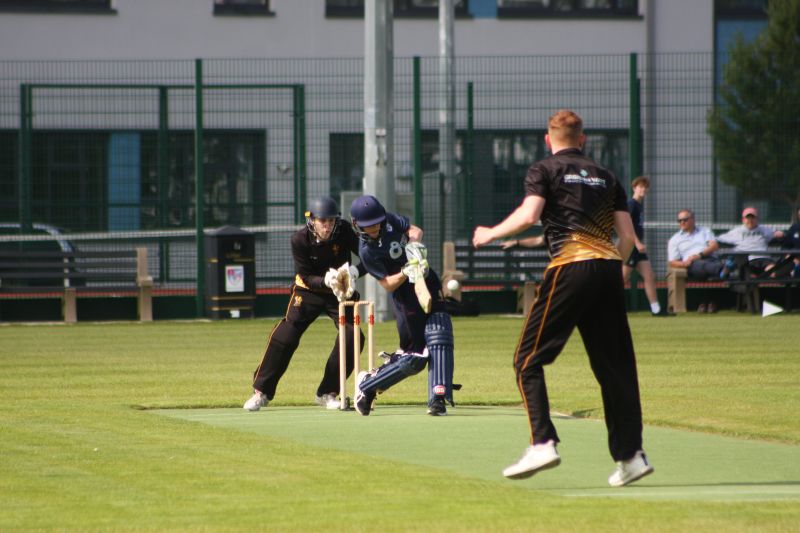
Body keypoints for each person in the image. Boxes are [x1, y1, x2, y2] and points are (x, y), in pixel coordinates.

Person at [472, 109, 653, 487]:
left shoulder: (544, 169)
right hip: (608, 269)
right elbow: (626, 238)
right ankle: (631, 456)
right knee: (616, 368)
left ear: (547, 139)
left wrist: (490, 233)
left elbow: (529, 215)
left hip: (571, 267)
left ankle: (542, 442)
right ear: (582, 139)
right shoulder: (607, 176)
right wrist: (611, 267)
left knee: (526, 359)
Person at [243, 196, 365, 411]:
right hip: (308, 291)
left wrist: (353, 272)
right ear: (312, 220)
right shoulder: (299, 239)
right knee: (286, 335)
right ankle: (261, 392)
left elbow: (368, 257)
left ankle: (328, 392)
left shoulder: (344, 230)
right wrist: (327, 280)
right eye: (322, 221)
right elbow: (306, 276)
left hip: (339, 292)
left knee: (353, 336)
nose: (327, 226)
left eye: (331, 221)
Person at [349, 194, 455, 417]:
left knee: (441, 335)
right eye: (369, 225)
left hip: (426, 280)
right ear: (357, 225)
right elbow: (387, 284)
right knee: (414, 359)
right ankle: (367, 385)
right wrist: (406, 271)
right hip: (405, 296)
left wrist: (415, 247)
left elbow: (415, 230)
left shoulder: (389, 219)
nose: (374, 228)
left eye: (377, 222)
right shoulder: (367, 252)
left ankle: (438, 398)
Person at [623, 176, 670, 316]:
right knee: (622, 279)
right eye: (640, 187)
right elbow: (626, 226)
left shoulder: (639, 205)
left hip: (637, 249)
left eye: (645, 187)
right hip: (631, 247)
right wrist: (637, 243)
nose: (643, 189)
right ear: (634, 188)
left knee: (649, 276)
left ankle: (656, 309)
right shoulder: (631, 204)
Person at [667, 209, 722, 313]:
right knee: (703, 265)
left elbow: (714, 246)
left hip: (710, 259)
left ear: (693, 219)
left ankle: (706, 303)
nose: (682, 222)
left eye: (685, 220)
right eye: (679, 220)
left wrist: (699, 255)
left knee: (707, 265)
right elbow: (672, 262)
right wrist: (684, 263)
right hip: (692, 265)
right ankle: (723, 271)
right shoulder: (675, 239)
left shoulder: (705, 231)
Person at [717, 207, 785, 277]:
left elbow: (778, 233)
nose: (750, 220)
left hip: (764, 259)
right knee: (750, 275)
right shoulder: (736, 232)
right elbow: (719, 239)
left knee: (773, 272)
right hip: (748, 261)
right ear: (743, 219)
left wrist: (779, 234)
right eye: (748, 218)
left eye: (753, 218)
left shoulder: (764, 229)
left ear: (757, 219)